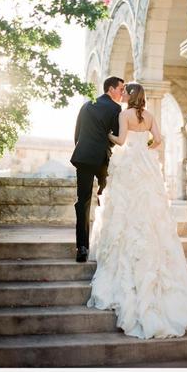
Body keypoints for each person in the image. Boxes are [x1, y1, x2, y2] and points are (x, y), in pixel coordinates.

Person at [85, 82, 187, 339]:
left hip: (129, 163)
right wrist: (145, 147)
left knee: (125, 209)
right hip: (146, 164)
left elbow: (121, 140)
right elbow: (159, 140)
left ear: (130, 96)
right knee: (150, 210)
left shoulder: (124, 115)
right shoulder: (150, 116)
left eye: (125, 92)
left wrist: (107, 136)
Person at [70, 76, 125, 263]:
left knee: (82, 201)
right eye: (121, 89)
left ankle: (82, 247)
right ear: (111, 89)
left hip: (83, 157)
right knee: (105, 200)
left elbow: (77, 134)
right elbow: (117, 136)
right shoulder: (115, 108)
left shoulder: (87, 105)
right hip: (102, 159)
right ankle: (104, 244)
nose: (122, 93)